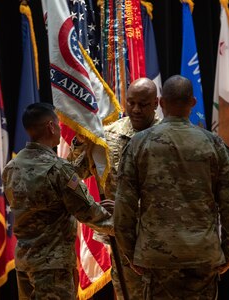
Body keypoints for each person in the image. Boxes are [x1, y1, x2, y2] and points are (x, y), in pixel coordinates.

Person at [114, 75, 229, 299]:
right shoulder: (214, 144)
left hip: (156, 257)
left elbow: (124, 210)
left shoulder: (138, 144)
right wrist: (227, 251)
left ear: (161, 103)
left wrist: (132, 254)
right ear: (193, 102)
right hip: (203, 254)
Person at [2, 103, 114, 300]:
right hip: (52, 267)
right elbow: (87, 211)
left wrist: (79, 146)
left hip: (25, 261)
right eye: (58, 124)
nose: (61, 129)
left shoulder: (12, 167)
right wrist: (122, 225)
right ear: (51, 127)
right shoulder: (57, 169)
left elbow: (63, 178)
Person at [69, 77, 160, 299]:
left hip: (162, 239)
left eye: (143, 104)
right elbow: (73, 172)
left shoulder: (170, 136)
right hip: (122, 240)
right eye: (131, 103)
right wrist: (80, 143)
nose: (136, 109)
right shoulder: (108, 136)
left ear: (156, 103)